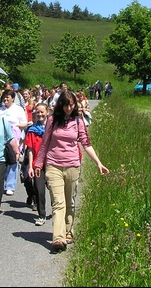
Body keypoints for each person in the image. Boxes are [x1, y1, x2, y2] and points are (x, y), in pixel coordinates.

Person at [34, 90, 109, 253]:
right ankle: (58, 238)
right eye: (66, 104)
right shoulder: (52, 120)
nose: (69, 108)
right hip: (53, 165)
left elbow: (86, 143)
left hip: (73, 165)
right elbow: (45, 143)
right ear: (61, 104)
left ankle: (68, 231)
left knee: (70, 202)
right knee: (58, 203)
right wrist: (38, 164)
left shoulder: (77, 120)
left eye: (72, 105)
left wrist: (98, 163)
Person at [0, 89, 29, 196]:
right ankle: (2, 183)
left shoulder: (18, 109)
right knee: (2, 160)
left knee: (13, 160)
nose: (5, 99)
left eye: (8, 97)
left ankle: (10, 185)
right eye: (4, 97)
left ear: (13, 99)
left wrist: (16, 127)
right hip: (1, 136)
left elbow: (24, 123)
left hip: (14, 136)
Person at [23, 102, 49, 225]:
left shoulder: (53, 128)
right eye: (37, 112)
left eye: (42, 112)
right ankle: (41, 215)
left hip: (52, 163)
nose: (40, 114)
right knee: (39, 190)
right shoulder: (32, 130)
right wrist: (30, 167)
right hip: (38, 164)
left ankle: (58, 211)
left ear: (47, 112)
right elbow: (30, 150)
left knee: (55, 190)